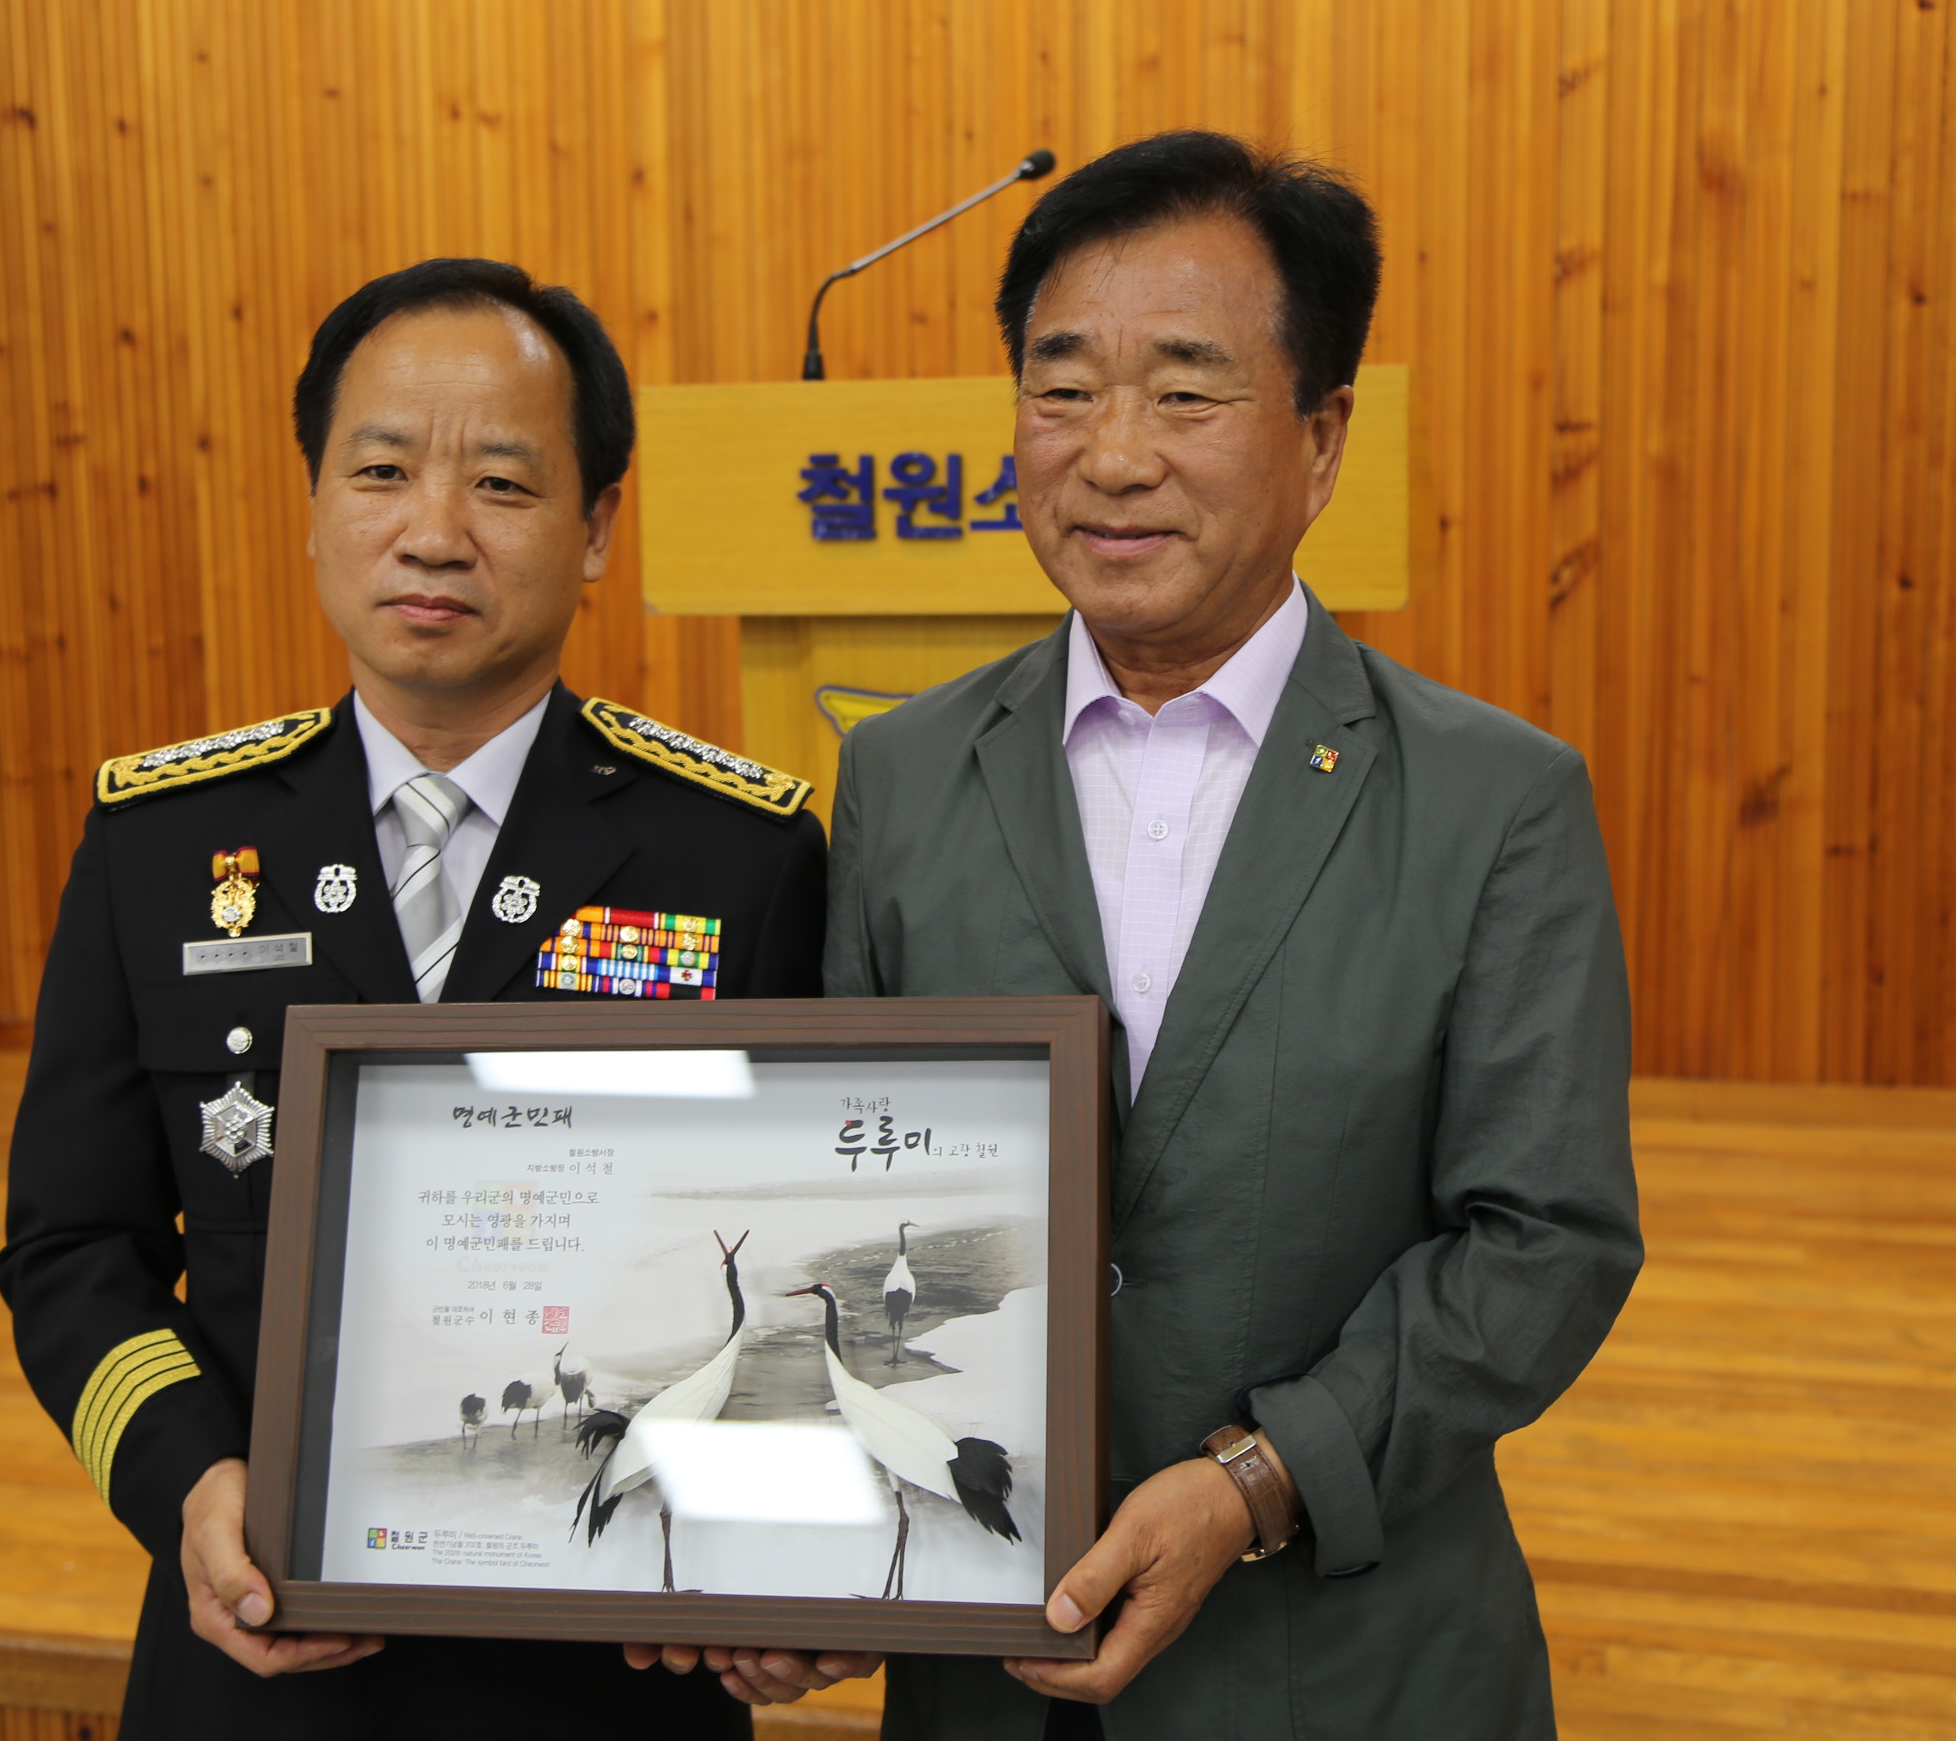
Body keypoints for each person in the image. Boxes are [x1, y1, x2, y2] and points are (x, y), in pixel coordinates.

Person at [674, 131, 1643, 1734]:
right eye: (1062, 389)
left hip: (1344, 1663)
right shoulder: (904, 773)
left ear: (1321, 441)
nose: (1113, 456)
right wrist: (814, 1551)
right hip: (988, 1667)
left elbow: (1545, 1243)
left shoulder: (1496, 800)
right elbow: (845, 1196)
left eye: (1188, 392)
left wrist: (1260, 1480)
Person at [0, 258, 822, 1738]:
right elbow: (71, 1248)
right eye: (381, 471)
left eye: (502, 483)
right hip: (263, 1636)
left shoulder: (737, 855)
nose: (434, 532)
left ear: (596, 529)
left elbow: (791, 1249)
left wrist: (768, 1549)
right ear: (315, 504)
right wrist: (190, 1481)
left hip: (615, 1651)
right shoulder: (162, 847)